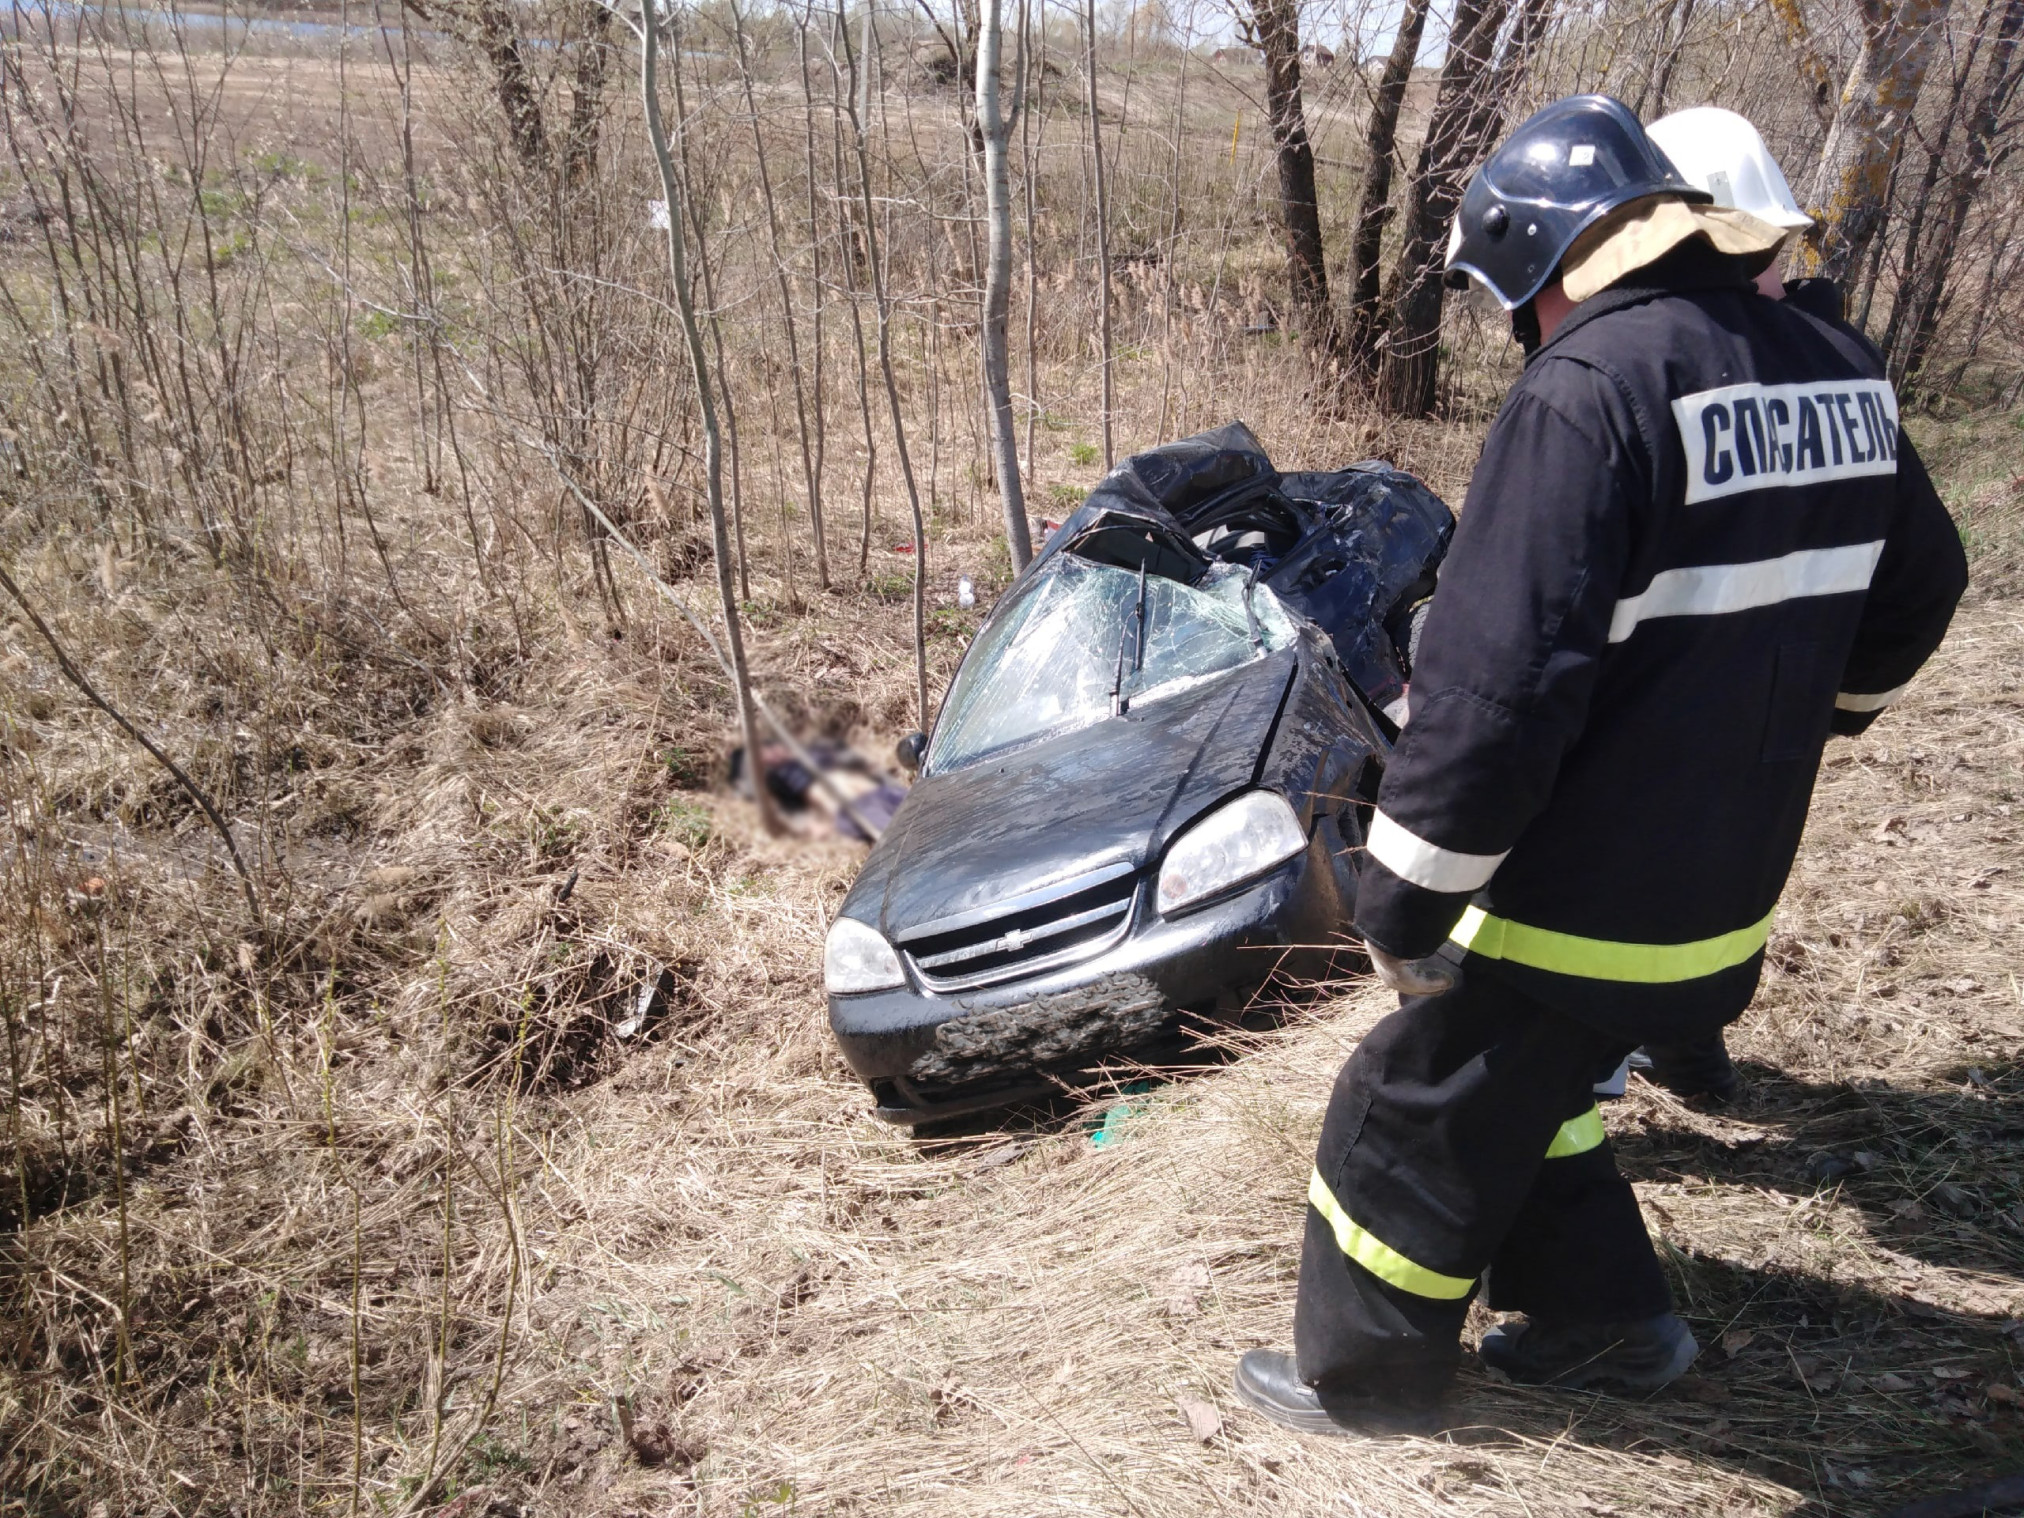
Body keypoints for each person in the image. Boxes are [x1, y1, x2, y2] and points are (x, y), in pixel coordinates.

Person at [1232, 95, 1968, 1436]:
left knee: (1407, 1103)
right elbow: (1927, 583)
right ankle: (1608, 1325)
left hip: (1586, 897)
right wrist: (1820, 708)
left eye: (1513, 304)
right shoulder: (1832, 366)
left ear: (1544, 273)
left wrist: (1401, 900)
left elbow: (1497, 693)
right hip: (1722, 891)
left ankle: (1365, 1384)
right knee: (1528, 1079)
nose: (1521, 333)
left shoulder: (1588, 395)